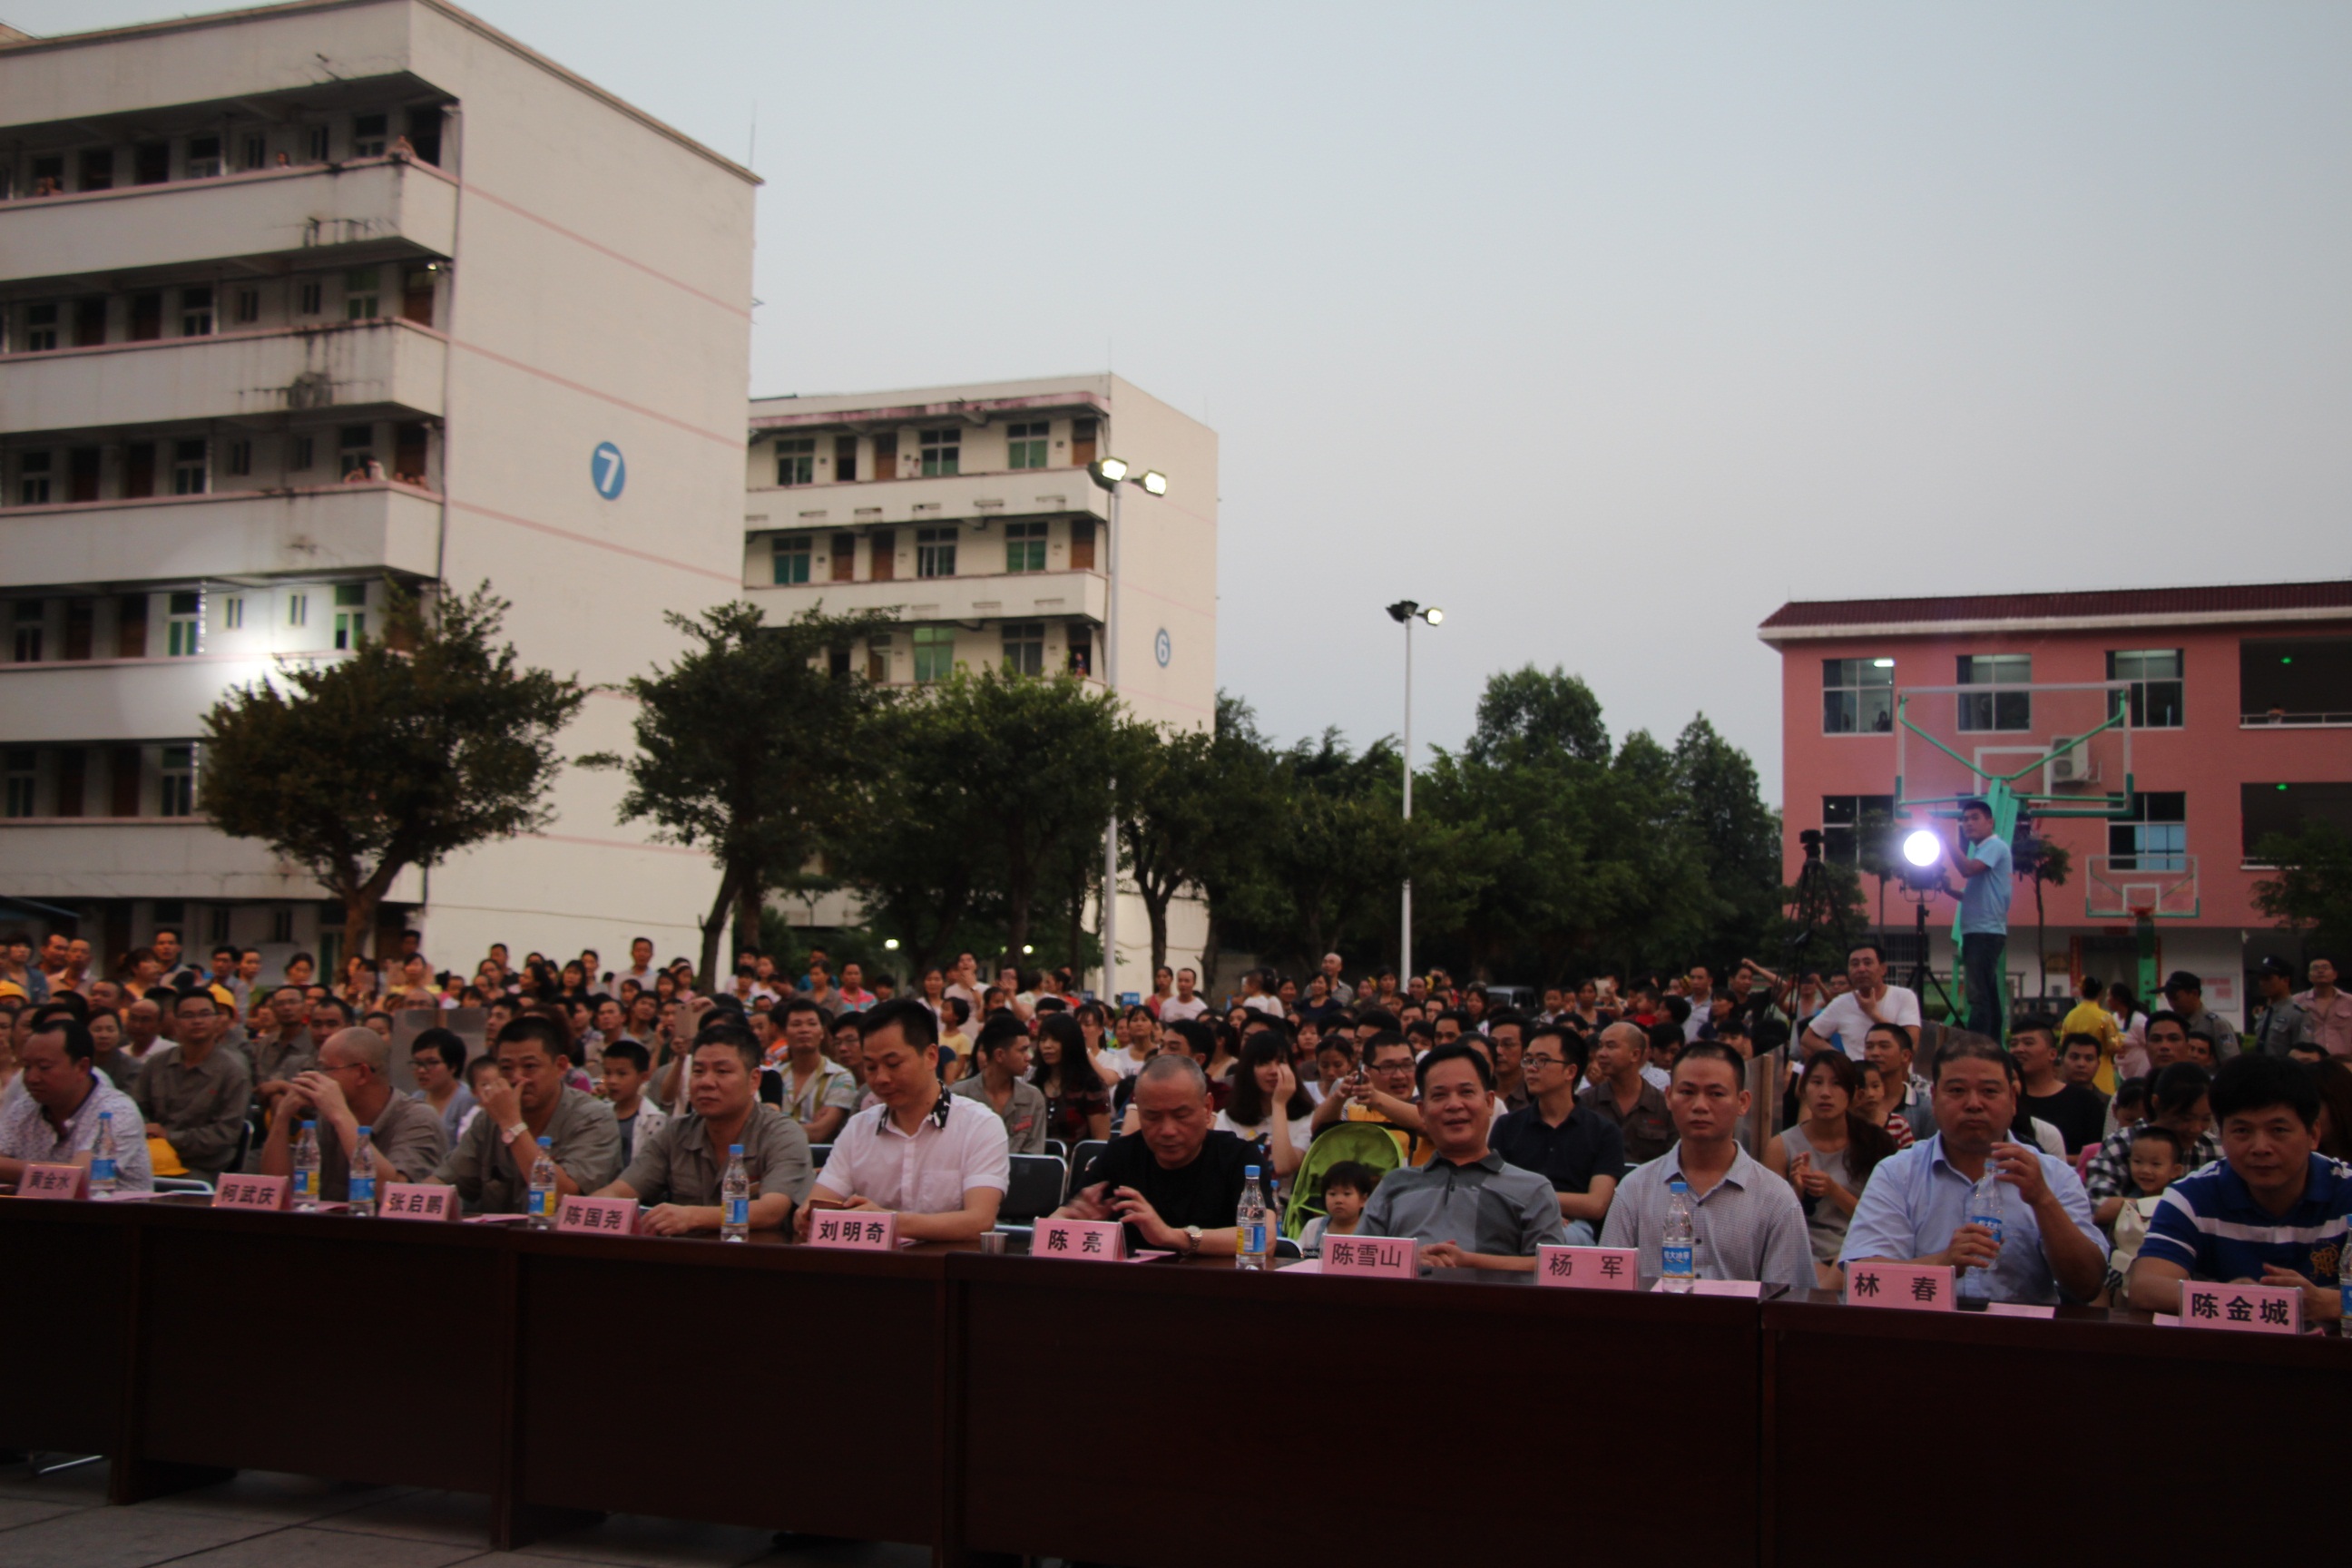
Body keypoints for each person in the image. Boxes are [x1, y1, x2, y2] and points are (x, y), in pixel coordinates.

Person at [1839, 1034, 2107, 1305]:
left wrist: (2043, 1200)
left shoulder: (2053, 1177)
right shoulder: (1897, 1173)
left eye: (1990, 1091)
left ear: (2013, 1099)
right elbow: (1863, 1278)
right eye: (1957, 1091)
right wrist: (1941, 1263)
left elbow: (2088, 1286)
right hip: (1926, 1327)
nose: (1974, 1104)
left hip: (2022, 1330)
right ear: (1934, 1098)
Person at [2128, 1053, 2352, 1325]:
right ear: (2221, 1135)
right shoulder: (2191, 1197)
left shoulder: (2346, 1190)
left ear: (2313, 1134)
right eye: (2242, 1131)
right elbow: (2146, 1287)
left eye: (2278, 1130)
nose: (2260, 1147)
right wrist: (2231, 1297)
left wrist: (2329, 1304)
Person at [1599, 1042, 1811, 1289]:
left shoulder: (1776, 1198)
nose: (1700, 1105)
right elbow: (1608, 1284)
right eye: (1687, 1092)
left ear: (1743, 1102)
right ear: (1668, 1097)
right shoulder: (1635, 1189)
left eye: (1716, 1094)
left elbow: (1786, 1298)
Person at [794, 998, 1007, 1243]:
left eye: (893, 1064)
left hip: (946, 1264)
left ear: (931, 1056)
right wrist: (807, 1216)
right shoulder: (858, 1128)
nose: (881, 1078)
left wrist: (885, 1221)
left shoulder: (979, 1125)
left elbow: (979, 1221)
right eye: (870, 1067)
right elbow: (818, 1202)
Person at [1353, 1044, 1567, 1272]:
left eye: (1466, 1092)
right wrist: (1409, 1260)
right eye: (1439, 1095)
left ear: (1489, 1102)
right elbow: (1354, 1261)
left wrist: (1468, 1261)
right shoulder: (1394, 1185)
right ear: (1422, 1111)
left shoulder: (1533, 1190)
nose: (1454, 1105)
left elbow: (1554, 1268)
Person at [596, 1024, 814, 1236]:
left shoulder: (783, 1134)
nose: (706, 1082)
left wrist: (691, 1217)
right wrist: (584, 1208)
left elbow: (771, 1211)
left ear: (754, 1080)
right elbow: (619, 1191)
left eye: (722, 1071)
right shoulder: (675, 1133)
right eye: (698, 1071)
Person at [1057, 1055, 1255, 1258]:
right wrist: (1079, 1223)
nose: (1168, 1130)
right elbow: (1056, 1223)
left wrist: (1171, 1236)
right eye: (1152, 1117)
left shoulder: (1238, 1157)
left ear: (1207, 1108)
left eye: (1181, 1116)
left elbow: (1261, 1237)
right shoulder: (1120, 1155)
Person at [430, 1016, 622, 1214]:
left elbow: (560, 1197)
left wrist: (512, 1124)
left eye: (530, 1066)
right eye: (506, 1068)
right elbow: (443, 1181)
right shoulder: (489, 1119)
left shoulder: (594, 1117)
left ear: (561, 1066)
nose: (516, 1077)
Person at [263, 1027, 448, 1199]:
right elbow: (277, 1191)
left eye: (326, 1069)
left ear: (362, 1074)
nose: (319, 1077)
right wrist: (282, 1117)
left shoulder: (418, 1118)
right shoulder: (328, 1116)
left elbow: (394, 1194)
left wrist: (341, 1116)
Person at [1764, 1051, 1896, 1289]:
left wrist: (1834, 1191)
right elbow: (1770, 1222)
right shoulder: (1780, 1146)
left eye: (1837, 1084)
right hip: (1803, 1250)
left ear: (1855, 1094)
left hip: (1860, 1248)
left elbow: (1885, 1220)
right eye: (1817, 1082)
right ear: (1803, 1090)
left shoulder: (1877, 1143)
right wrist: (1796, 1192)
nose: (1825, 1093)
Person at [1490, 1024, 1622, 1245]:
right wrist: (1542, 1211)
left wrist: (1540, 1205)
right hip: (1515, 1221)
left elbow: (1596, 1204)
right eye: (1528, 1060)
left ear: (1570, 1071)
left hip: (1575, 1227)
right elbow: (1495, 1191)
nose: (1531, 1068)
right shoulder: (1507, 1126)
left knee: (1555, 1237)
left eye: (1542, 1060)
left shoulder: (1604, 1131)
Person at [0, 1015, 153, 1193]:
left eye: (44, 1067)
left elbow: (78, 1178)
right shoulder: (25, 1107)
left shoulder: (117, 1111)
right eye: (27, 1067)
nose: (31, 1078)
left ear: (82, 1067)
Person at [133, 988, 252, 1182]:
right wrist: (149, 1131)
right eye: (188, 1015)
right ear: (176, 1023)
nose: (197, 1021)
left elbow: (226, 1132)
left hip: (202, 1166)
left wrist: (169, 1137)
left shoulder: (233, 1070)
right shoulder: (156, 1064)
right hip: (151, 1157)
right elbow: (136, 1109)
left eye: (205, 1014)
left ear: (217, 1021)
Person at [2082, 1062, 2220, 1226]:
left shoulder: (2214, 1150)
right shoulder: (2122, 1144)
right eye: (2186, 1118)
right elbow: (2098, 1208)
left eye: (2205, 1119)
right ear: (2156, 1103)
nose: (2196, 1128)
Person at [1943, 798, 2013, 1040]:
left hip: (1984, 933)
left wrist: (1945, 839)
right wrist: (1950, 891)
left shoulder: (1994, 845)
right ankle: (1992, 1046)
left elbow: (1967, 869)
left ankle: (1976, 1048)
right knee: (1988, 996)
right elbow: (1975, 897)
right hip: (1982, 931)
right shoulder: (1984, 850)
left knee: (1978, 997)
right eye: (1965, 819)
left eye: (1975, 818)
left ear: (1990, 822)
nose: (1968, 823)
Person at [1308, 1029, 1429, 1166]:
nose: (1399, 1075)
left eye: (1407, 1065)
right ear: (1367, 1071)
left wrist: (1376, 1098)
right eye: (1388, 1067)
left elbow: (1427, 1123)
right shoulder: (1353, 1114)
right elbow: (1318, 1129)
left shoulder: (1429, 1107)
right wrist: (1338, 1097)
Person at [2100, 1124, 2185, 1301]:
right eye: (2138, 1162)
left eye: (2156, 1164)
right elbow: (2103, 1213)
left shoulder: (2179, 1204)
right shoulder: (2130, 1199)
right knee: (2102, 1285)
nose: (2145, 1170)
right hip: (2123, 1268)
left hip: (2163, 1272)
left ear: (2175, 1170)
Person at [1212, 1028, 1312, 1179]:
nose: (1273, 1071)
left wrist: (1279, 1104)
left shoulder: (1306, 1117)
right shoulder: (1226, 1119)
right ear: (1248, 1069)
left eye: (1281, 1062)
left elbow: (1283, 1167)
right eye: (1264, 1063)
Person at [1799, 942, 1923, 1062]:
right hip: (1856, 1074)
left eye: (1868, 963)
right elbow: (1808, 1038)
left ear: (1883, 969)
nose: (1861, 969)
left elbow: (1912, 1045)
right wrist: (1841, 1059)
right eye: (1855, 964)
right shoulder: (1841, 1003)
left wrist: (1873, 1014)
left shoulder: (1903, 996)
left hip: (1895, 1075)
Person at [1576, 1021, 1675, 1163]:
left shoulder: (1663, 1106)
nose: (1601, 1054)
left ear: (1635, 1054)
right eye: (1600, 1046)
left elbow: (1673, 1159)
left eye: (1611, 1046)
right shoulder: (1585, 1102)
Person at [952, 1014, 1050, 1154]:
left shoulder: (1033, 1098)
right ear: (999, 1055)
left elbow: (1033, 1157)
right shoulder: (958, 1097)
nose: (1028, 1057)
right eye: (1022, 1050)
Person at [2010, 1017, 2108, 1153]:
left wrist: (2054, 1159)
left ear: (2052, 1054)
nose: (2019, 1049)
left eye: (2028, 1043)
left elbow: (2095, 1153)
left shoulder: (2086, 1101)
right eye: (2014, 1044)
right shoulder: (2007, 1099)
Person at [771, 996, 857, 1145]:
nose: (804, 1030)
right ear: (785, 1033)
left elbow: (819, 1133)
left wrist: (774, 1129)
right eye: (796, 1024)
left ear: (822, 1032)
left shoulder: (840, 1078)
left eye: (812, 1024)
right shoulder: (773, 1076)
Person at [1859, 1023, 1936, 1142]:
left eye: (1884, 1046)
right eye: (1869, 1047)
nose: (1875, 1053)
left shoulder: (1925, 1109)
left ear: (1906, 1056)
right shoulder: (1852, 1103)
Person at [594, 1039, 665, 1162]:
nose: (612, 1081)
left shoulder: (654, 1120)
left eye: (622, 1074)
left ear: (643, 1077)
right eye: (607, 1073)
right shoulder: (599, 1114)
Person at [409, 1026, 476, 1149]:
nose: (421, 1070)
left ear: (453, 1067)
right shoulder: (416, 1098)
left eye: (432, 1063)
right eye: (417, 1063)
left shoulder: (467, 1099)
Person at [1298, 1161, 1376, 1255]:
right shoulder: (1313, 1227)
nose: (1338, 1200)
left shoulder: (1373, 1231)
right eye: (1332, 1194)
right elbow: (1298, 1257)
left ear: (1363, 1200)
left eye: (1347, 1194)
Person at [2161, 973, 2236, 1064]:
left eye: (2175, 998)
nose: (2172, 1003)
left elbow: (2231, 1062)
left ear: (2194, 994)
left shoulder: (2216, 1024)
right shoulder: (2173, 1023)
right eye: (2168, 998)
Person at [2249, 958, 2318, 1058]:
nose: (2262, 983)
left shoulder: (2298, 1014)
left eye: (2268, 978)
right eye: (2260, 978)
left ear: (2285, 980)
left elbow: (2304, 1053)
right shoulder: (2264, 1013)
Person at [2294, 956, 2352, 1059]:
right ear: (2309, 976)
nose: (2320, 971)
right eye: (2315, 968)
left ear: (2335, 974)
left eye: (2325, 968)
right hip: (2309, 1062)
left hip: (2344, 1062)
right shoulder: (2296, 1002)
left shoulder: (2349, 1001)